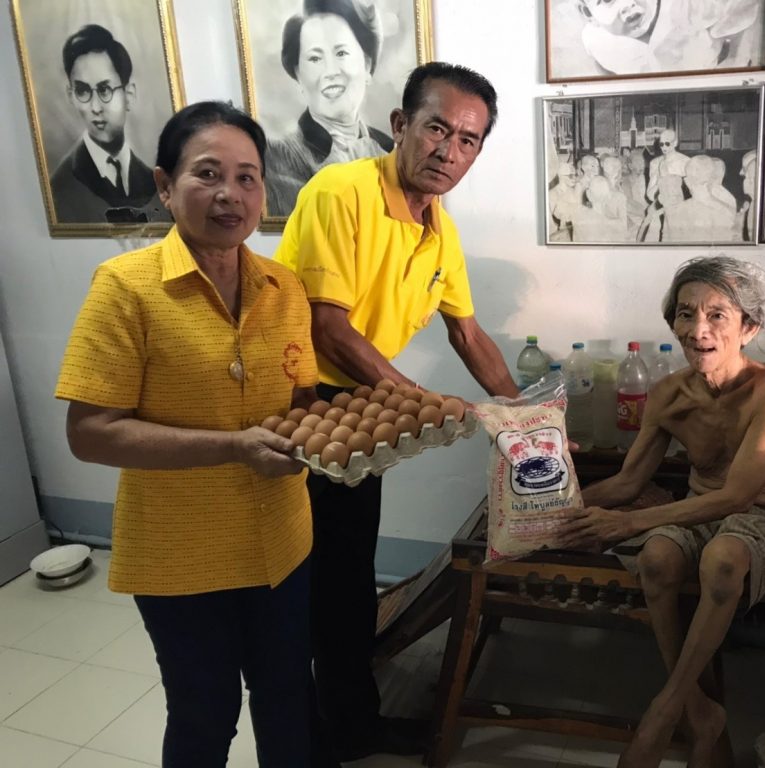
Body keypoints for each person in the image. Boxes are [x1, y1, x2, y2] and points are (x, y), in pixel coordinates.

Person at [54, 101, 319, 766]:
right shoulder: (126, 288)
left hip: (283, 541)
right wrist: (233, 447)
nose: (230, 194)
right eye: (208, 174)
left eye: (247, 177)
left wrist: (333, 436)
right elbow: (90, 433)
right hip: (181, 555)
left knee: (290, 698)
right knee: (205, 715)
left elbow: (302, 397)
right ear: (165, 185)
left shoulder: (283, 287)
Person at [274, 61, 519, 764]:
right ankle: (326, 731)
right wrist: (422, 401)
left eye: (468, 140)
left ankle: (347, 719)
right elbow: (329, 329)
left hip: (359, 398)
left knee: (349, 570)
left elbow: (467, 334)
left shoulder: (438, 228)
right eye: (437, 129)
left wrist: (527, 419)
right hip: (302, 403)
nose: (449, 150)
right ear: (400, 125)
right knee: (320, 578)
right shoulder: (341, 192)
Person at [560, 256, 765, 768]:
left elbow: (738, 497)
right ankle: (699, 709)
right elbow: (629, 481)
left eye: (718, 315)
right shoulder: (668, 394)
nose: (699, 330)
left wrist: (628, 522)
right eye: (686, 313)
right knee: (656, 559)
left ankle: (666, 708)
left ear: (749, 328)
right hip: (698, 511)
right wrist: (557, 509)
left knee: (722, 557)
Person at [265, 0, 394, 216]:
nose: (330, 72)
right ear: (298, 75)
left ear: (367, 65)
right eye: (315, 58)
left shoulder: (391, 151)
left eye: (341, 53)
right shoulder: (277, 161)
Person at [49, 24, 168, 224]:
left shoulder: (153, 181)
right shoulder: (60, 189)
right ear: (71, 96)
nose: (95, 107)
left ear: (129, 95)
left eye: (104, 90)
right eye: (83, 91)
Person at [572, 0, 765, 76]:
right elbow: (603, 66)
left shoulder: (691, 7)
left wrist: (735, 61)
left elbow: (747, 12)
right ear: (587, 13)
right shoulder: (595, 39)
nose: (628, 3)